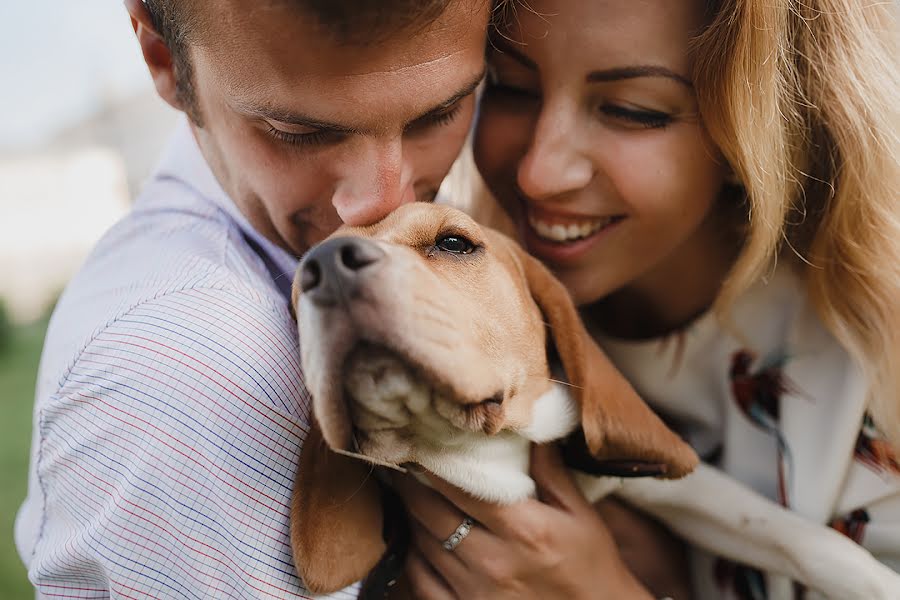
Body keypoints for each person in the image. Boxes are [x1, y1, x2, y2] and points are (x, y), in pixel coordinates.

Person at [395, 0, 900, 598]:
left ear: (758, 129)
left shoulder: (875, 359)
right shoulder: (468, 328)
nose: (540, 172)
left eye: (630, 110)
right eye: (509, 86)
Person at [14, 0, 504, 597]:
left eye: (442, 112)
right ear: (162, 55)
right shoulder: (197, 374)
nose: (380, 201)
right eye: (298, 132)